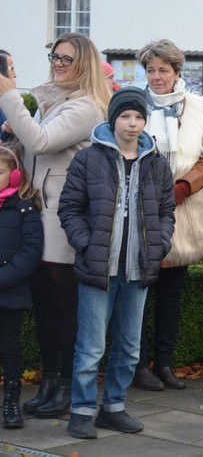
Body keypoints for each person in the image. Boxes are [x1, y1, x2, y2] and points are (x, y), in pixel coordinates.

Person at [0, 33, 110, 418]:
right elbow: (31, 149)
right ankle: (50, 382)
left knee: (63, 307)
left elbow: (43, 143)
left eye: (67, 58)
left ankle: (65, 386)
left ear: (85, 64)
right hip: (41, 215)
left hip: (62, 219)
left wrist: (10, 98)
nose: (58, 64)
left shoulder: (87, 106)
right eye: (55, 57)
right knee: (47, 306)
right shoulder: (56, 102)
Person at [58, 87, 175, 439]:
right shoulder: (88, 159)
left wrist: (160, 245)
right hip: (99, 269)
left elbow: (167, 212)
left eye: (139, 117)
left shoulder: (157, 163)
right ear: (113, 119)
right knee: (91, 347)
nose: (132, 123)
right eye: (125, 116)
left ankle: (113, 408)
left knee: (129, 348)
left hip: (138, 270)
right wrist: (86, 244)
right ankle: (81, 411)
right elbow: (70, 209)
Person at [132, 39, 203, 392]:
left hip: (182, 211)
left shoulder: (196, 109)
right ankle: (137, 366)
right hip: (140, 209)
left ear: (177, 72)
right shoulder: (133, 103)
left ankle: (164, 364)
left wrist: (181, 187)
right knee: (138, 295)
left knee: (170, 296)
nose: (156, 76)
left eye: (163, 70)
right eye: (150, 70)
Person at [0, 144, 43, 429]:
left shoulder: (25, 209)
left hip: (9, 293)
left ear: (14, 175)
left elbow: (30, 252)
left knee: (9, 348)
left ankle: (11, 402)